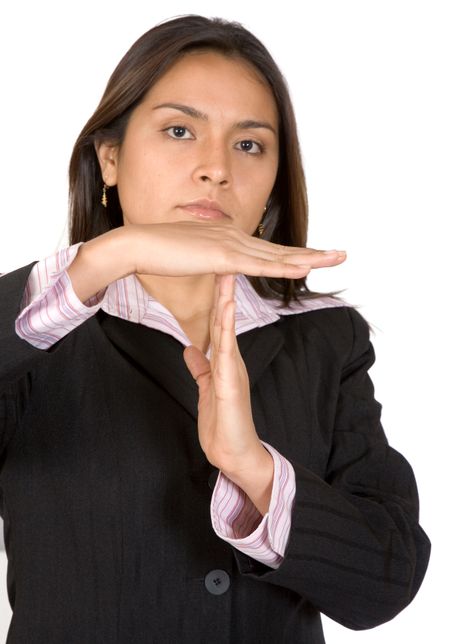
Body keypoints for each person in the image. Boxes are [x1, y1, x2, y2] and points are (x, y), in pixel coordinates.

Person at [0, 14, 430, 644]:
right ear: (110, 158)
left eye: (249, 144)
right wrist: (109, 257)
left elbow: (384, 585)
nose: (215, 169)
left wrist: (254, 469)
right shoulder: (38, 328)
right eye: (179, 130)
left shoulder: (326, 339)